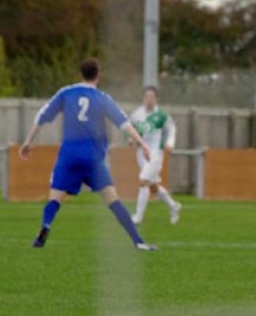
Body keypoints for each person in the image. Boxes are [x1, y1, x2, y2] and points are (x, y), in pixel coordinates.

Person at [19, 58, 157, 251]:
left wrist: (28, 142)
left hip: (69, 155)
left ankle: (45, 228)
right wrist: (142, 143)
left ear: (80, 74)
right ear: (98, 76)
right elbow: (123, 122)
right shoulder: (102, 98)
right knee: (113, 200)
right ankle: (138, 241)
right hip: (93, 158)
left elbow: (42, 116)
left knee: (55, 199)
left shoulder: (65, 93)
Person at [128, 86, 182, 225]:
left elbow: (171, 129)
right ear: (143, 98)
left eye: (152, 97)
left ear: (156, 99)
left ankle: (138, 217)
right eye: (147, 97)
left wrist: (170, 142)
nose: (149, 100)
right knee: (153, 187)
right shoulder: (137, 114)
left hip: (155, 153)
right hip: (141, 153)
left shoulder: (162, 116)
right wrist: (132, 138)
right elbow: (132, 129)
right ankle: (173, 206)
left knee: (143, 180)